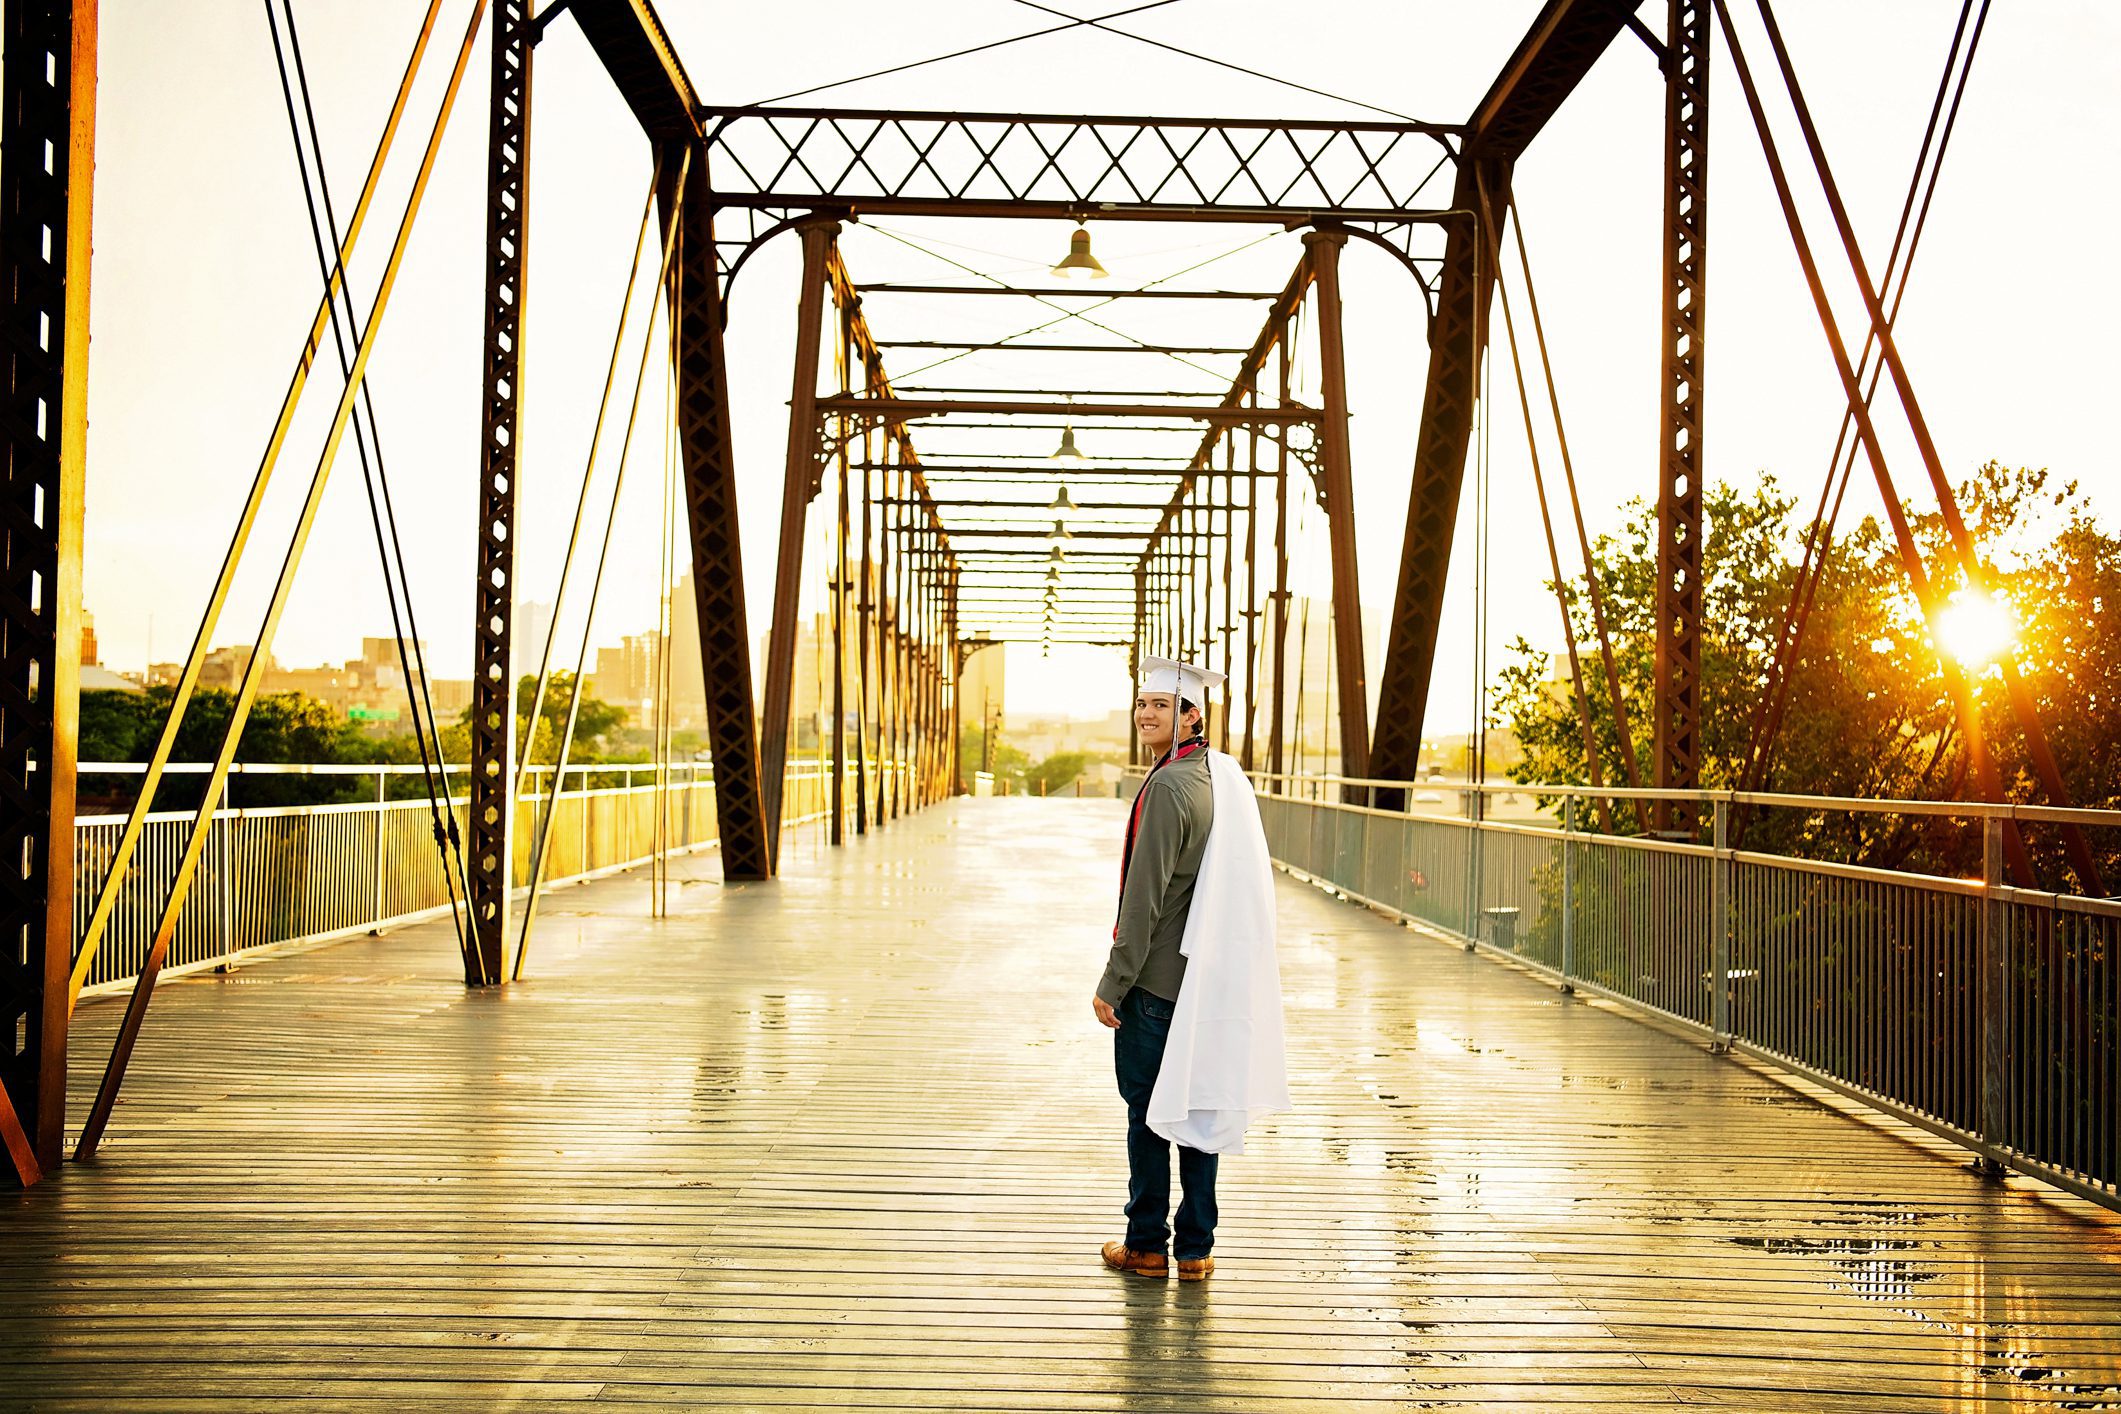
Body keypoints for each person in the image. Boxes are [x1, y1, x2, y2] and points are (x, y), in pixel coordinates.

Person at [1094, 654, 1287, 1282]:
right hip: (1204, 980)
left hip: (1153, 983)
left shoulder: (1170, 786)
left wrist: (1112, 982)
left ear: (1191, 714)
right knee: (1199, 1107)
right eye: (1142, 704)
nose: (1146, 715)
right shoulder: (1216, 776)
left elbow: (1143, 899)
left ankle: (1147, 1244)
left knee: (1148, 1112)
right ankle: (1196, 1249)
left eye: (1160, 706)